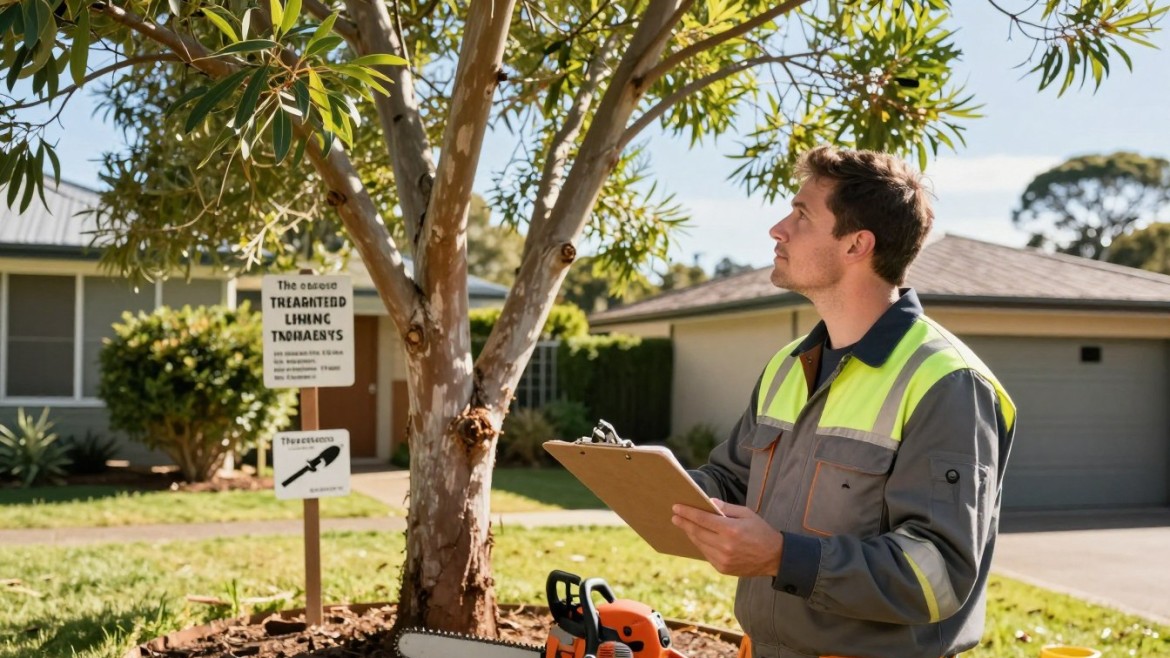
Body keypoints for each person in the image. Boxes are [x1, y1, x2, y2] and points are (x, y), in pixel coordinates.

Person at [671, 146, 1016, 658]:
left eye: (801, 215)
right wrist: (655, 485)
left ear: (857, 244)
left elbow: (937, 573)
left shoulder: (947, 383)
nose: (778, 229)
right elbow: (732, 480)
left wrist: (783, 558)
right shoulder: (788, 365)